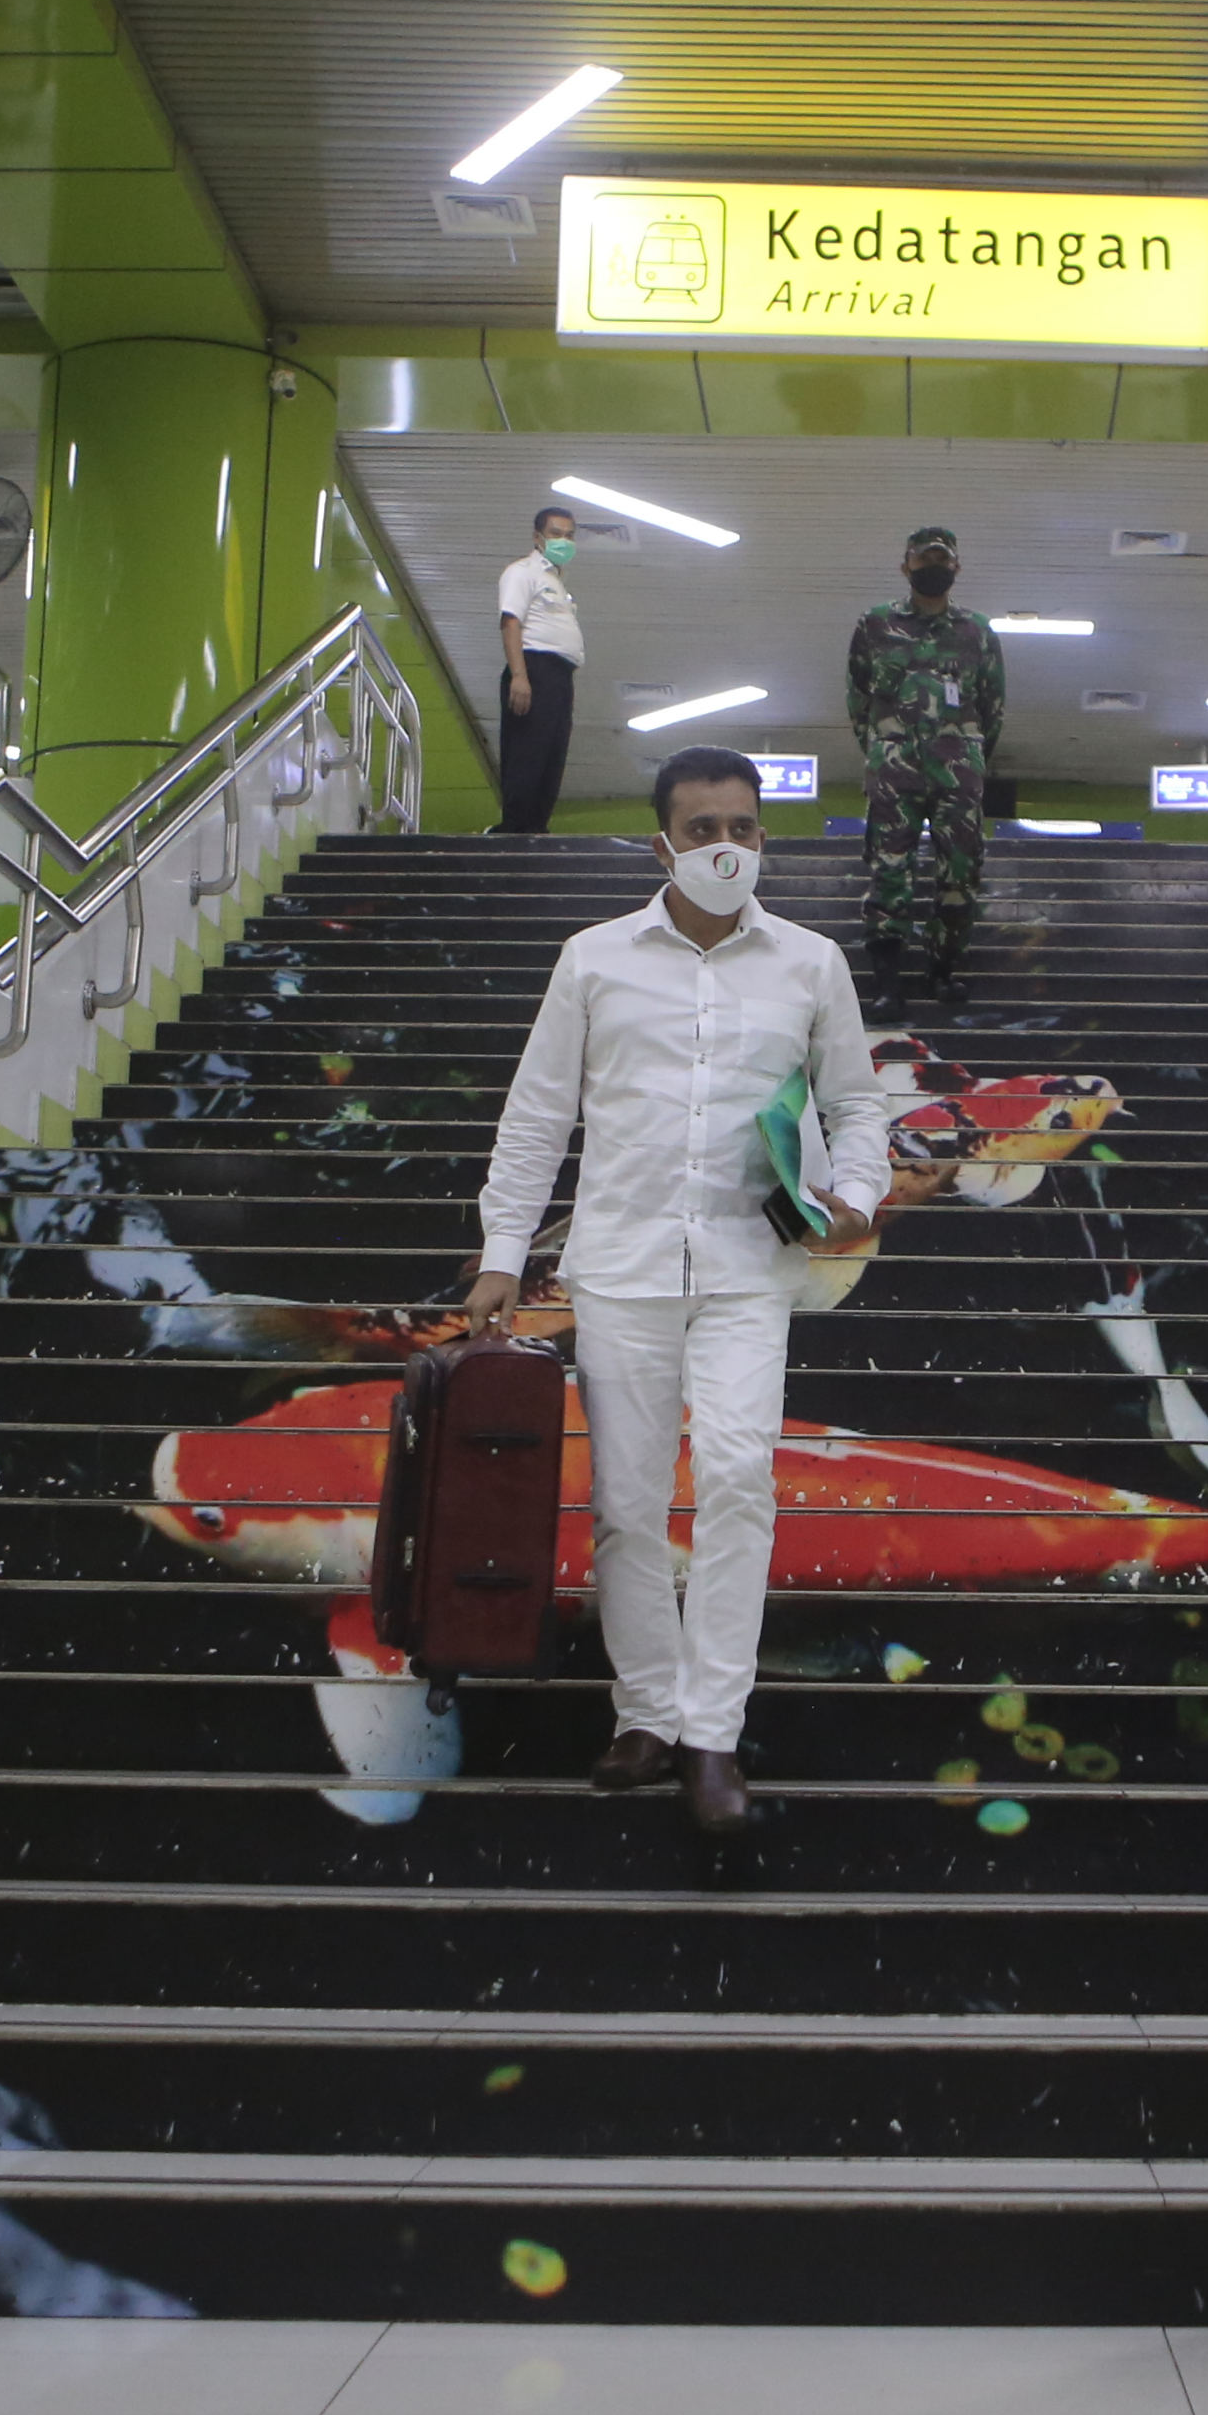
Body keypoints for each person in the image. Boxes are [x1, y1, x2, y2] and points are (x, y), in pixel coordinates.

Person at [462, 745, 891, 1834]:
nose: (724, 848)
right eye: (701, 830)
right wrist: (502, 1251)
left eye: (742, 829)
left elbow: (856, 1103)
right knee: (626, 1503)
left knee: (742, 1475)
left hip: (753, 1267)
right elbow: (535, 1114)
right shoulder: (593, 960)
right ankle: (644, 1711)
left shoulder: (810, 963)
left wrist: (855, 1189)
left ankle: (712, 1734)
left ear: (763, 842)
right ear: (662, 843)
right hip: (619, 1265)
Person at [845, 524, 1007, 1014]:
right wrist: (883, 750)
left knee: (961, 873)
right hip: (895, 772)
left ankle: (943, 971)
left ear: (956, 568)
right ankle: (888, 984)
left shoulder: (977, 631)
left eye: (941, 560)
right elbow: (859, 699)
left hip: (958, 775)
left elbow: (993, 708)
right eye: (922, 560)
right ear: (905, 566)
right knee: (889, 872)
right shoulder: (874, 625)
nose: (932, 568)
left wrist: (966, 756)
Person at [493, 505, 583, 835]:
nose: (564, 541)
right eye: (556, 534)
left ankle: (536, 827)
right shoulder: (523, 572)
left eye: (570, 535)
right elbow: (510, 621)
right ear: (538, 537)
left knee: (552, 755)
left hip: (559, 675)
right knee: (527, 753)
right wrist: (520, 675)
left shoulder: (556, 580)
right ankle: (515, 828)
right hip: (533, 668)